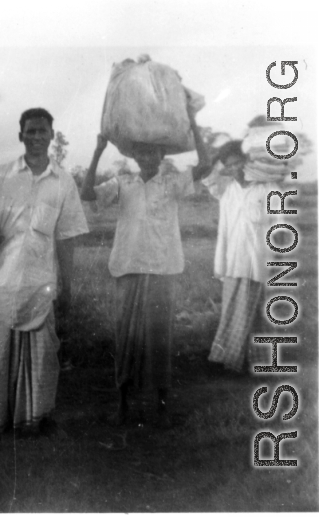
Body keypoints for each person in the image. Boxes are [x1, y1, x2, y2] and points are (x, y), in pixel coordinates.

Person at [0, 108, 89, 436]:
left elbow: (67, 236)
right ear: (21, 136)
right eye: (30, 131)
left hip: (39, 284)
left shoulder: (64, 181)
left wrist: (67, 286)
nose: (37, 137)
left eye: (43, 131)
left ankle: (35, 420)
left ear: (51, 136)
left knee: (43, 357)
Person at [80, 100, 210, 428]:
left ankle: (162, 405)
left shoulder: (172, 182)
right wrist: (97, 152)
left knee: (160, 338)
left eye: (153, 153)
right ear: (135, 157)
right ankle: (124, 404)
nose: (147, 157)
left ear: (161, 156)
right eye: (141, 153)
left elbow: (205, 164)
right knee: (126, 339)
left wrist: (193, 122)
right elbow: (88, 195)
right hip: (128, 268)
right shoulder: (123, 183)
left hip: (164, 269)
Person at [202, 126, 289, 373]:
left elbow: (280, 226)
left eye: (238, 163)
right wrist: (219, 158)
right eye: (228, 165)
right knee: (232, 309)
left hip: (257, 260)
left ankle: (240, 361)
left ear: (247, 161)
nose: (234, 169)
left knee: (251, 310)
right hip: (231, 260)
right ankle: (237, 359)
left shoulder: (267, 188)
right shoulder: (226, 189)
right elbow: (207, 177)